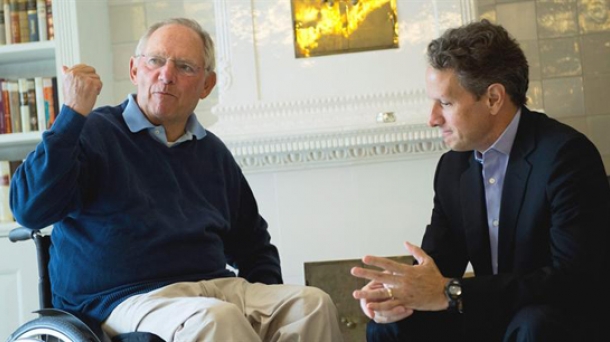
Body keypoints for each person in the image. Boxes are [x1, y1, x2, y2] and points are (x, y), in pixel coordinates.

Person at [10, 18, 343, 342]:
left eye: (184, 67)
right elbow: (29, 209)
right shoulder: (92, 132)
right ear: (134, 70)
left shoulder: (212, 152)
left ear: (207, 85)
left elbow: (253, 242)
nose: (166, 75)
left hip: (214, 287)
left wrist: (268, 298)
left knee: (311, 305)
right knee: (216, 320)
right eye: (155, 61)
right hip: (119, 298)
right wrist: (71, 114)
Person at [350, 19, 610, 342]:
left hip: (557, 318)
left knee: (535, 325)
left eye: (445, 103)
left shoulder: (566, 157)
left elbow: (572, 281)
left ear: (493, 99)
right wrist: (397, 290)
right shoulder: (452, 167)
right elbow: (437, 267)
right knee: (390, 326)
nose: (432, 119)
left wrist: (452, 291)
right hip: (489, 314)